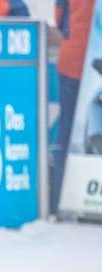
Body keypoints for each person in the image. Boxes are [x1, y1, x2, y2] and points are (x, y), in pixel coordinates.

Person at [52, 0, 95, 213]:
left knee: (67, 133)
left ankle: (61, 200)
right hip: (90, 63)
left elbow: (59, 17)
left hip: (72, 60)